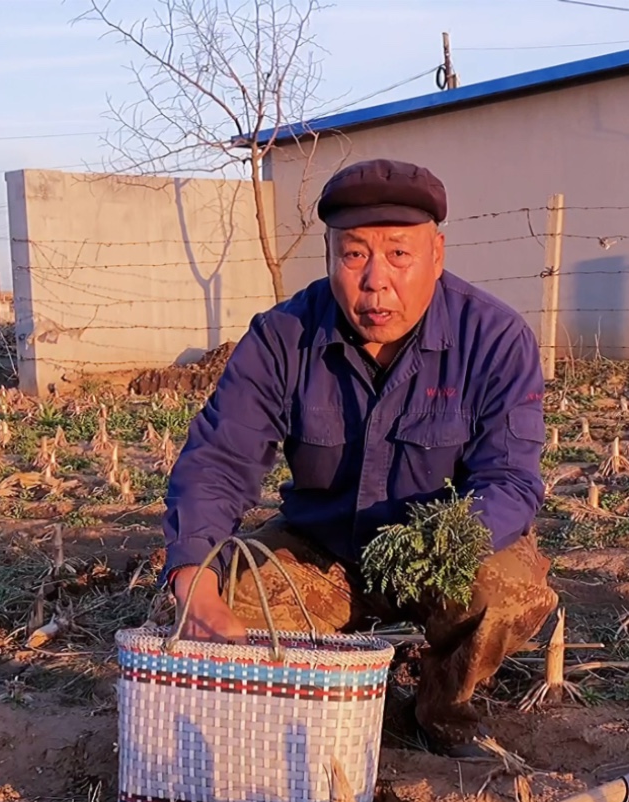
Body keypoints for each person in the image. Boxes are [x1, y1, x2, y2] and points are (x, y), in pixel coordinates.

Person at [162, 158, 557, 760]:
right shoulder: (281, 337)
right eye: (353, 256)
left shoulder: (494, 338)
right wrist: (193, 574)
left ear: (437, 255)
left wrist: (446, 543)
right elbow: (219, 460)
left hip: (439, 559)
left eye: (399, 255)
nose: (375, 281)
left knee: (503, 587)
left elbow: (511, 478)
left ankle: (441, 710)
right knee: (232, 608)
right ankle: (294, 717)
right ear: (329, 257)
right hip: (326, 552)